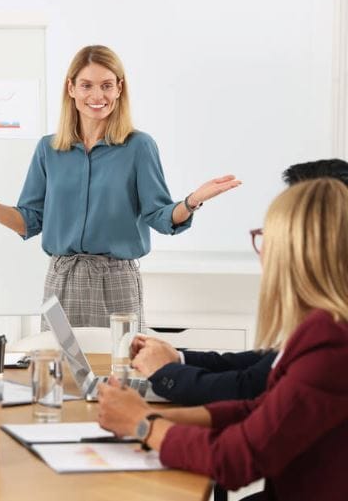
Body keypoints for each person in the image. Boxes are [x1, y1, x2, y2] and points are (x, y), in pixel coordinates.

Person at [0, 45, 240, 330]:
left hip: (116, 281)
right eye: (87, 85)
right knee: (60, 369)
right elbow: (28, 222)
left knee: (119, 367)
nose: (97, 95)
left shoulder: (139, 147)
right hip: (61, 279)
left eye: (107, 85)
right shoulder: (49, 149)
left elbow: (159, 216)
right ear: (71, 88)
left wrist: (192, 201)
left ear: (119, 89)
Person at [96, 178, 348, 501]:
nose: (261, 252)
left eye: (266, 239)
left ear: (298, 254)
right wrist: (145, 416)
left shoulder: (331, 345)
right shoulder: (324, 329)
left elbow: (235, 460)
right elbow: (257, 410)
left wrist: (144, 424)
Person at [130, 158, 348, 406]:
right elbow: (264, 365)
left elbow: (249, 388)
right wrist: (177, 359)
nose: (267, 250)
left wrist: (163, 378)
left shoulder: (330, 330)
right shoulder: (326, 315)